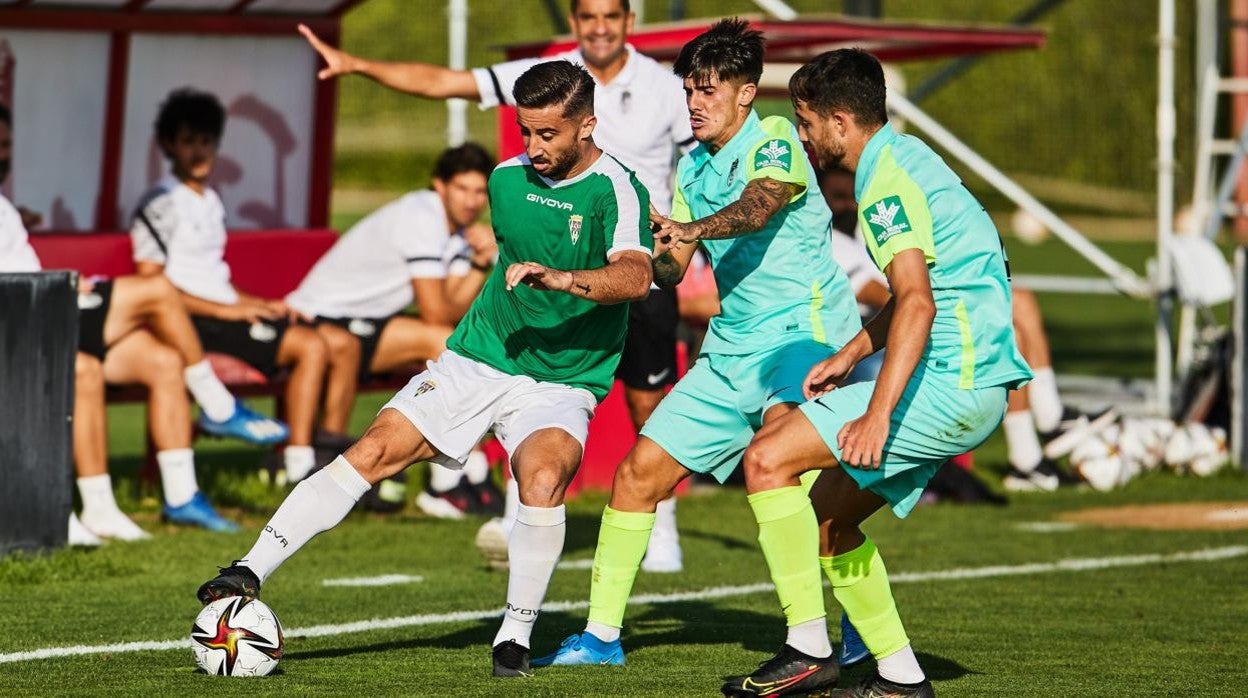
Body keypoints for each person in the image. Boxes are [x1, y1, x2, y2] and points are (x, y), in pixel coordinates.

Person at [194, 61, 653, 679]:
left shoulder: (619, 189)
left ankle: (514, 636)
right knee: (377, 448)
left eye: (549, 134)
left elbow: (637, 275)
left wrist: (566, 279)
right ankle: (247, 569)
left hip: (564, 377)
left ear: (587, 125)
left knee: (541, 477)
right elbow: (500, 261)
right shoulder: (505, 180)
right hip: (480, 356)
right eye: (525, 132)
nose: (534, 148)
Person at [300, 0, 692, 572]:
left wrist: (687, 236)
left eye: (611, 15)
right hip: (550, 262)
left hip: (632, 262)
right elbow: (447, 82)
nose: (600, 27)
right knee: (524, 374)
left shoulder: (663, 88)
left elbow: (706, 157)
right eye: (588, 16)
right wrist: (357, 64)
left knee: (646, 402)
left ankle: (663, 526)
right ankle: (516, 515)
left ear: (630, 22)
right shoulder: (545, 77)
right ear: (576, 23)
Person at [531, 20, 861, 676]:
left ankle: (821, 638)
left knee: (793, 474)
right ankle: (600, 638)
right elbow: (673, 269)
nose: (695, 103)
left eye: (708, 90)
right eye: (689, 90)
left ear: (746, 94)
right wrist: (626, 252)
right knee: (636, 475)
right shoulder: (695, 166)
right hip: (730, 351)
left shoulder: (775, 141)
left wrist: (690, 226)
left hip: (806, 338)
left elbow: (761, 206)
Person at [713, 49, 1032, 697]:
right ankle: (900, 679)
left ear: (838, 121)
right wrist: (854, 353)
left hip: (951, 382)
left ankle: (806, 649)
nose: (800, 136)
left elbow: (917, 299)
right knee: (830, 521)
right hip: (979, 385)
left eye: (804, 123)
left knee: (767, 459)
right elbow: (928, 288)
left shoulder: (882, 181)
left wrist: (877, 412)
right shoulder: (910, 159)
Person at [0, 192, 286, 540]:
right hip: (24, 319)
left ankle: (149, 502)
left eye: (7, 147)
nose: (6, 156)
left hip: (46, 305)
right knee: (157, 290)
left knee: (162, 362)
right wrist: (62, 287)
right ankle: (218, 404)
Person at [284, 143, 503, 517]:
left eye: (480, 191)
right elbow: (437, 313)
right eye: (463, 189)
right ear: (440, 186)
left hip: (363, 323)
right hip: (320, 320)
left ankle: (457, 477)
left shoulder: (454, 230)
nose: (471, 200)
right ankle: (448, 483)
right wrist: (479, 269)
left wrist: (480, 265)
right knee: (442, 342)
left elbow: (451, 307)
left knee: (452, 343)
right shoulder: (422, 216)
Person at [131, 88, 336, 485]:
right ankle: (297, 469)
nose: (199, 151)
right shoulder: (159, 202)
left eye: (206, 141)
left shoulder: (209, 199)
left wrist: (260, 303)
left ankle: (297, 461)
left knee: (324, 339)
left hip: (223, 314)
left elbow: (215, 278)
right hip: (193, 323)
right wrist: (230, 311)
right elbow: (150, 284)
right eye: (189, 141)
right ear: (169, 144)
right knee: (310, 346)